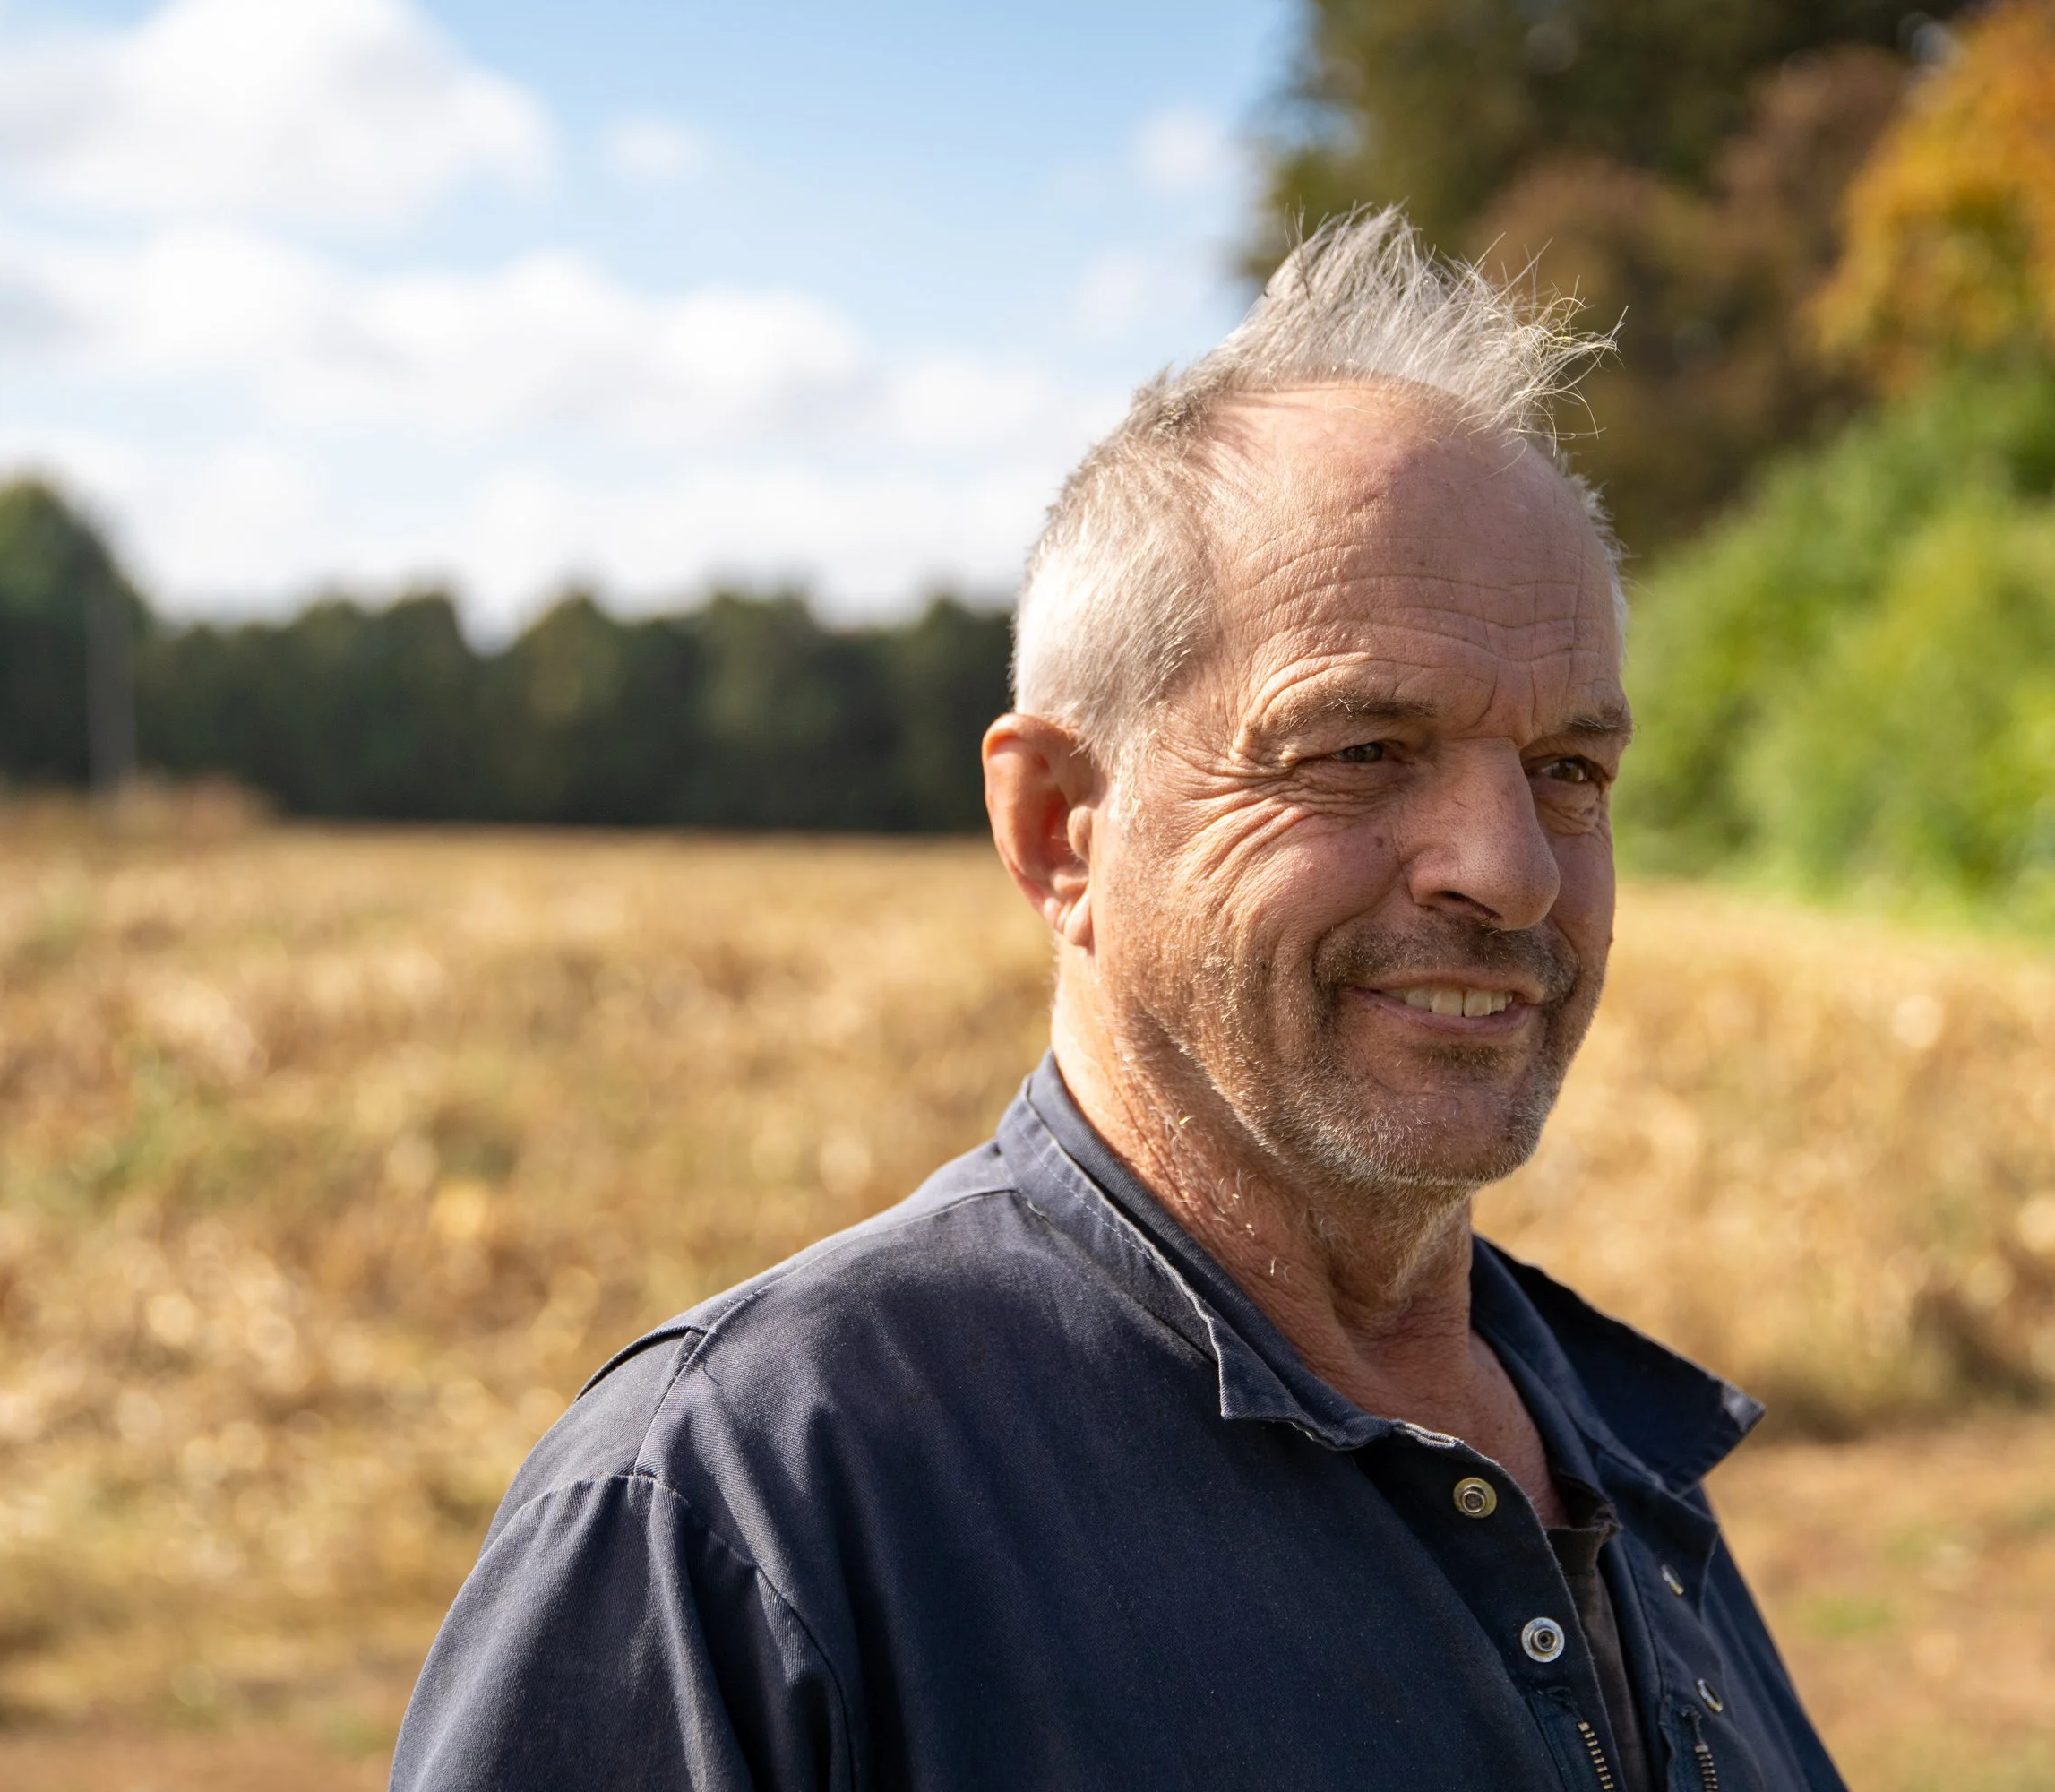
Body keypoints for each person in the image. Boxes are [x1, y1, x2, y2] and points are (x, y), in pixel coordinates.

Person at [390, 211, 1844, 1792]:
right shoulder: (747, 1519)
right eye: (1359, 749)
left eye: (1570, 769)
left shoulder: (1610, 1460)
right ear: (1059, 831)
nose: (1513, 872)